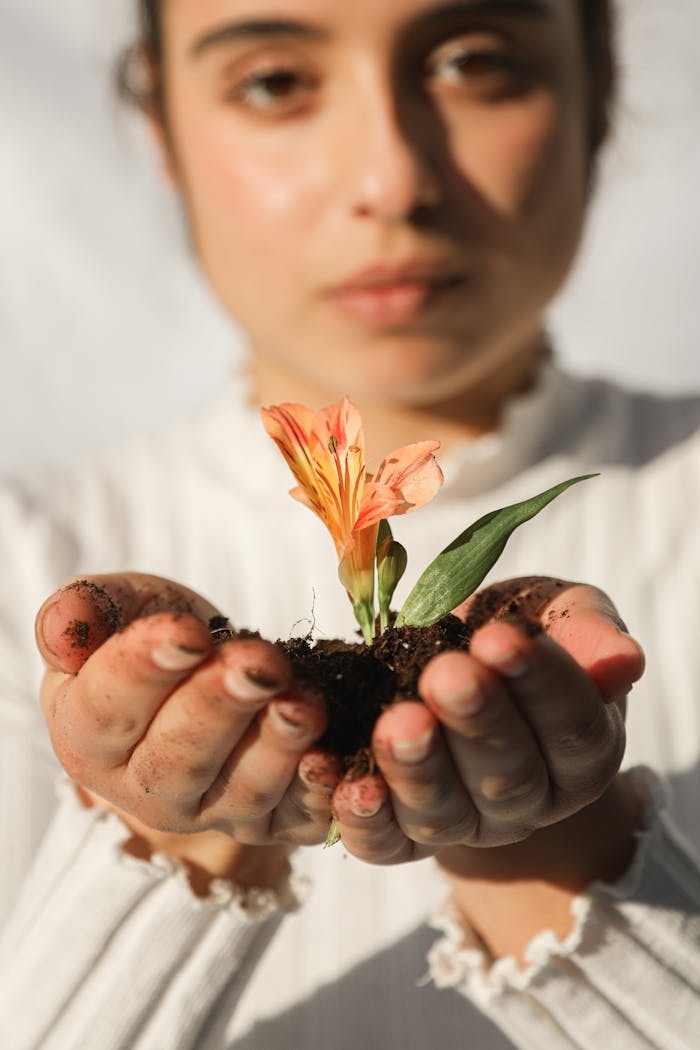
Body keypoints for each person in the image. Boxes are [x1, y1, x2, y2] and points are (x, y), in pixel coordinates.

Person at [1, 1, 699, 1047]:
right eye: (275, 82)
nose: (391, 182)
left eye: (475, 60)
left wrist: (550, 843)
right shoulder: (24, 563)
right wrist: (175, 828)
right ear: (162, 130)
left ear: (598, 90)